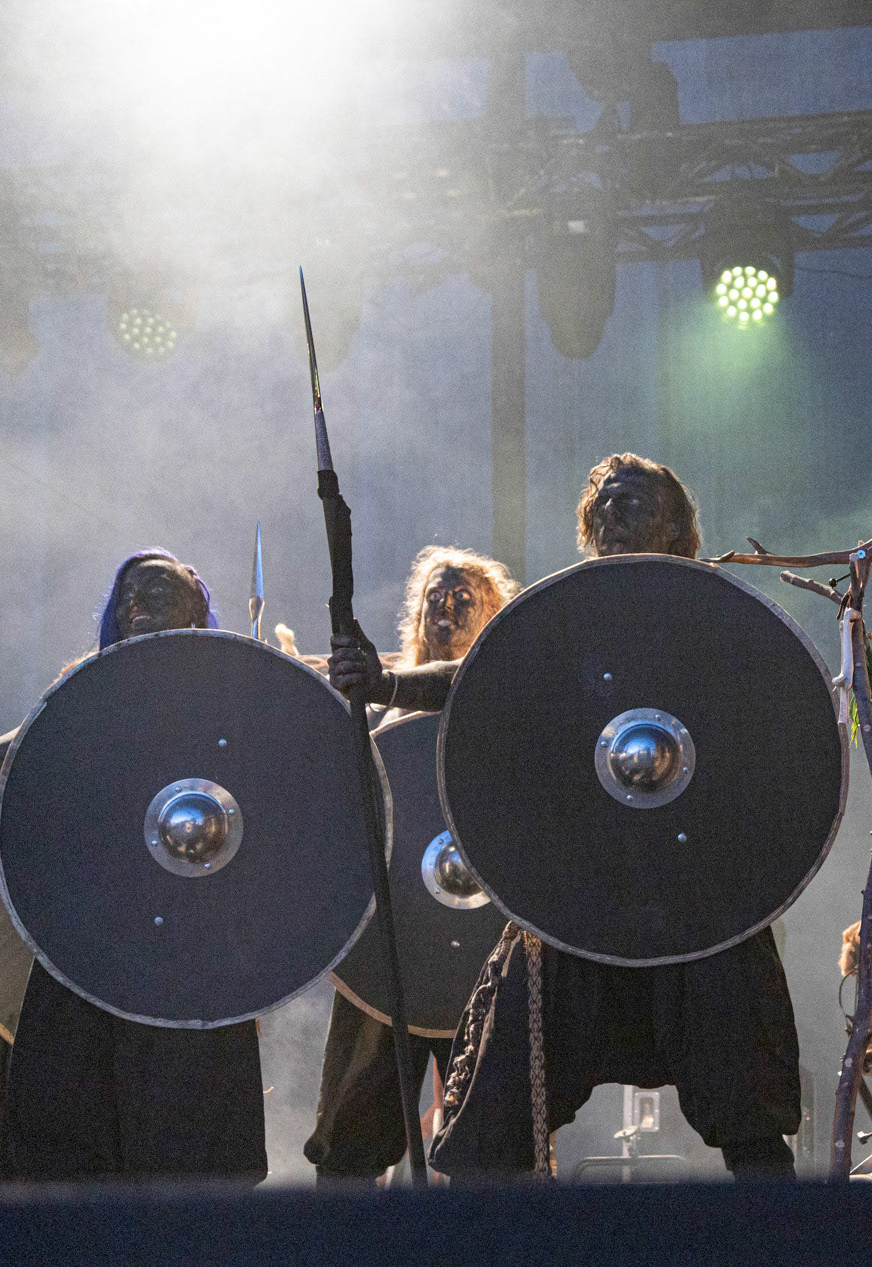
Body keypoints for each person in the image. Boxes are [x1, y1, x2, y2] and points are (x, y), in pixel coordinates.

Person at [328, 453, 800, 1180]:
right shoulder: (565, 617)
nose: (613, 510)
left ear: (675, 528)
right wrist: (389, 683)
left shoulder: (712, 619)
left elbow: (768, 736)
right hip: (582, 892)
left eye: (634, 499)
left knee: (749, 1109)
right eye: (603, 500)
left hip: (695, 893)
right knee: (496, 1110)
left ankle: (785, 1232)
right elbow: (481, 676)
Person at [0, 550, 267, 1183]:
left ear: (197, 608)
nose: (137, 601)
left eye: (158, 588)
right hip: (87, 954)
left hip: (193, 963)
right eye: (126, 594)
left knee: (188, 1171)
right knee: (67, 1160)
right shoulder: (84, 699)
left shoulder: (234, 705)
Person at [302, 546, 519, 1185]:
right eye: (434, 599)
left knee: (492, 1150)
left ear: (491, 615)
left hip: (484, 951)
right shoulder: (375, 710)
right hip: (387, 945)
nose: (445, 612)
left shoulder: (502, 704)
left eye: (462, 601)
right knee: (350, 1142)